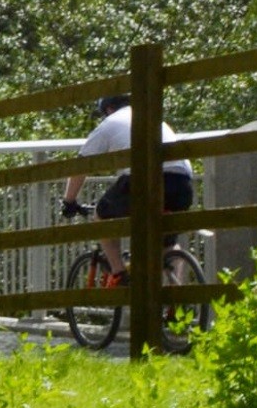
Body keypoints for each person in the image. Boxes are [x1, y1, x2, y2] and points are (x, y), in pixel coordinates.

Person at [60, 93, 194, 285]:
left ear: (109, 109)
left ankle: (119, 272)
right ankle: (176, 300)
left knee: (101, 216)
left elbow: (81, 166)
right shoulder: (153, 119)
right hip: (182, 183)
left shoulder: (110, 123)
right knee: (167, 243)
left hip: (144, 180)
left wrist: (69, 201)